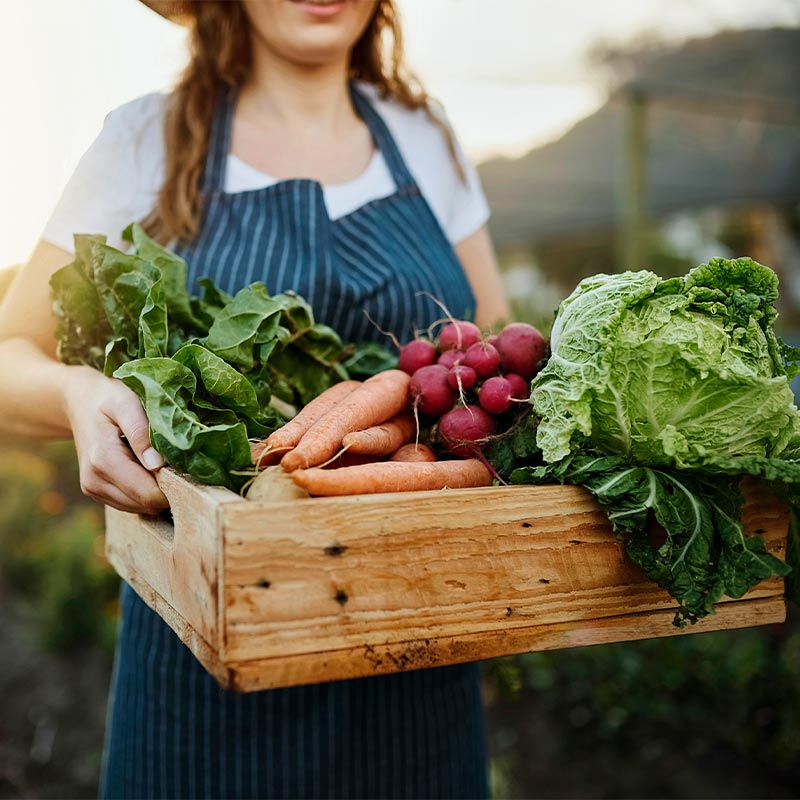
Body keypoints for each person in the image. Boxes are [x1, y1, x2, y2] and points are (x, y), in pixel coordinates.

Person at [0, 1, 510, 797]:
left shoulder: (424, 134)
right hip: (206, 658)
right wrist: (76, 392)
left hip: (418, 641)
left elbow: (490, 348)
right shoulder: (144, 139)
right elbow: (9, 355)